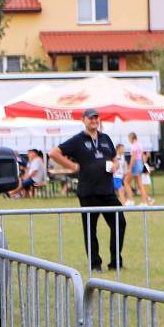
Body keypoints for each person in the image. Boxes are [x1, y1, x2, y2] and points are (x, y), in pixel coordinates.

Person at [49, 108, 127, 272]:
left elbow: (115, 158)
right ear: (84, 120)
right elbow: (54, 153)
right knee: (91, 229)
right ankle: (95, 263)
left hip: (107, 191)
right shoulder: (78, 140)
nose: (94, 121)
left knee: (120, 222)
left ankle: (115, 262)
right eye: (91, 118)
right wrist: (72, 166)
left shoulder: (105, 139)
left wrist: (116, 165)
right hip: (88, 191)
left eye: (96, 118)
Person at [125, 132, 145, 202]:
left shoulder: (134, 146)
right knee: (140, 185)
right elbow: (142, 156)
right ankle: (144, 202)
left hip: (135, 164)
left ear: (131, 138)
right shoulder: (140, 145)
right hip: (140, 163)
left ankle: (131, 200)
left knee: (126, 182)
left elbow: (133, 158)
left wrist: (130, 168)